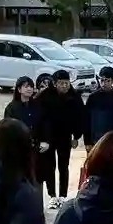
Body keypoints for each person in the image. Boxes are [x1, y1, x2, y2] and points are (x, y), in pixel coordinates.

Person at [38, 69, 84, 206]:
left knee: (64, 166)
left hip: (65, 136)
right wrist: (42, 138)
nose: (64, 86)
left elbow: (80, 117)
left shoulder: (74, 97)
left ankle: (63, 195)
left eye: (66, 83)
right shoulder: (44, 96)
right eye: (61, 83)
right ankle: (52, 195)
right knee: (49, 166)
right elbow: (40, 119)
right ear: (54, 83)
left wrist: (76, 136)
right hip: (48, 137)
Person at [84, 66, 113, 151]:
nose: (103, 83)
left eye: (107, 80)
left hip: (112, 139)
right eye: (102, 80)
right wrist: (87, 141)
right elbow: (87, 120)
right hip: (95, 140)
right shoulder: (93, 97)